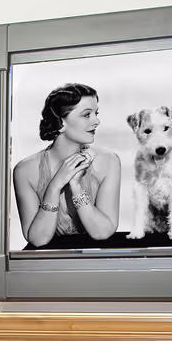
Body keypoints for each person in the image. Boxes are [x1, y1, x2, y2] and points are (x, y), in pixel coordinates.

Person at [12, 83, 120, 248]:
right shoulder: (25, 170)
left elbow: (102, 232)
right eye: (87, 115)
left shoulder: (108, 162)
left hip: (98, 258)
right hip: (46, 261)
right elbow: (38, 239)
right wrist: (55, 186)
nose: (97, 121)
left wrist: (76, 187)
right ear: (61, 122)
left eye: (96, 113)